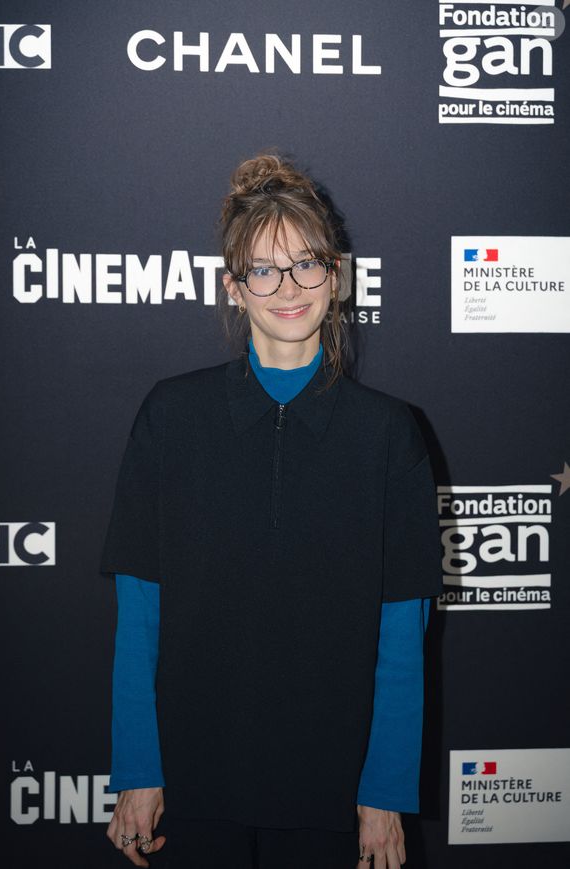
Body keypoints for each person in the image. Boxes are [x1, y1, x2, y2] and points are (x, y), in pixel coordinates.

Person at [100, 152, 443, 869]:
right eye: (264, 268)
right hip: (195, 786)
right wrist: (137, 768)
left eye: (307, 263)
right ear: (235, 286)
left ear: (336, 276)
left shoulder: (389, 433)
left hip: (334, 797)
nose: (289, 287)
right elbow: (140, 612)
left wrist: (383, 792)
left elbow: (401, 631)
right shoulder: (171, 415)